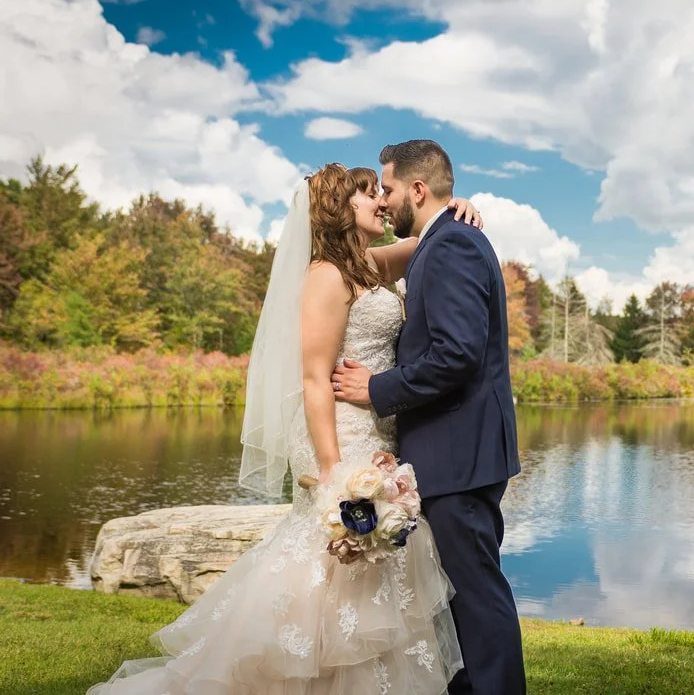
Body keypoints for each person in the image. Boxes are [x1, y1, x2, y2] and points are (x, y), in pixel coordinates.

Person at [88, 163, 484, 694]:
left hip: (379, 432)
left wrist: (461, 209)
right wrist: (331, 473)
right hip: (341, 434)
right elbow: (315, 379)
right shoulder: (325, 275)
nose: (379, 204)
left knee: (376, 569)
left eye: (379, 193)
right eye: (369, 196)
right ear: (342, 209)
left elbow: (427, 238)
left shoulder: (369, 265)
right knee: (334, 564)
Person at [330, 140, 526, 694]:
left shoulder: (451, 246)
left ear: (417, 189)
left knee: (476, 597)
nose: (384, 200)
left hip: (457, 455)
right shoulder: (442, 240)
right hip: (453, 454)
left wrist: (376, 388)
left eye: (388, 188)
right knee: (456, 598)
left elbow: (458, 355)